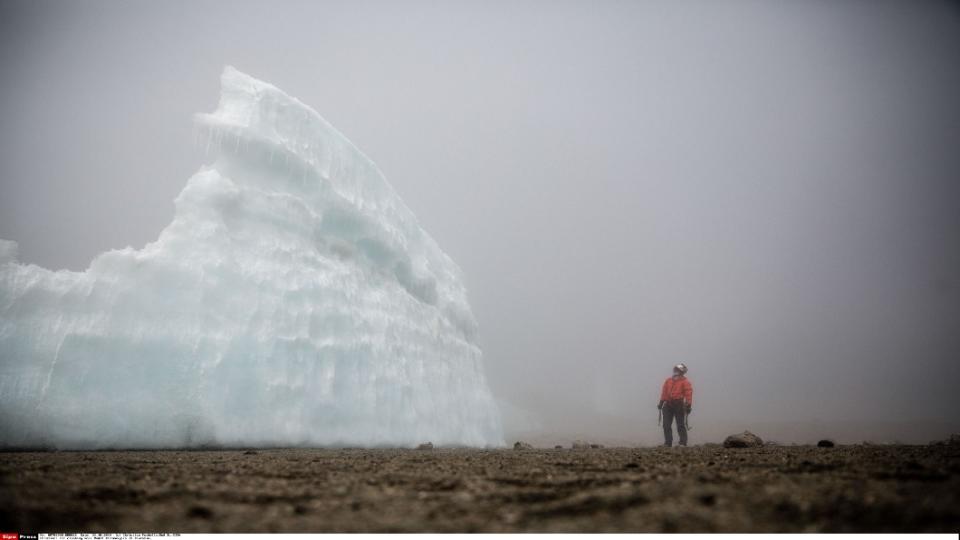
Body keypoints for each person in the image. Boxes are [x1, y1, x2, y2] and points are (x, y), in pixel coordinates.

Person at [658, 363, 693, 447]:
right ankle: (668, 443)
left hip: (679, 405)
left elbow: (688, 393)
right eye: (675, 370)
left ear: (682, 372)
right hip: (668, 405)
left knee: (680, 425)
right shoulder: (668, 380)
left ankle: (683, 443)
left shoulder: (685, 382)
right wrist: (661, 402)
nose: (675, 372)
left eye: (678, 370)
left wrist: (688, 405)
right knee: (666, 425)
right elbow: (664, 392)